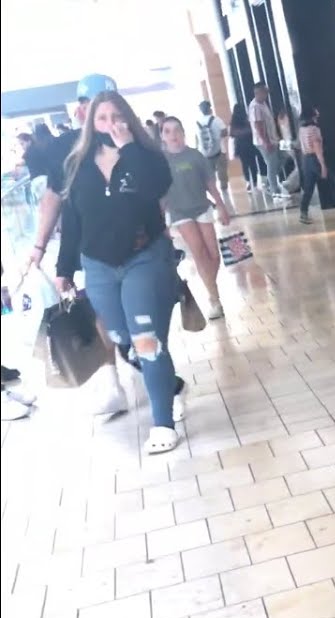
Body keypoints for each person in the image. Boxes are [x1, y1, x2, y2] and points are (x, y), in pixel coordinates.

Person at [56, 91, 184, 454]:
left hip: (144, 258)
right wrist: (64, 268)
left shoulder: (145, 157)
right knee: (123, 340)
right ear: (90, 122)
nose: (109, 123)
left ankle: (163, 422)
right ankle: (169, 385)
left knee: (147, 341)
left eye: (116, 116)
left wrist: (127, 146)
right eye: (102, 117)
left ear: (127, 117)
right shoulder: (77, 165)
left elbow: (155, 187)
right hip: (98, 267)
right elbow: (72, 219)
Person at [20, 116, 132, 417]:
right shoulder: (63, 149)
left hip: (136, 249)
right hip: (92, 251)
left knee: (134, 318)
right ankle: (113, 383)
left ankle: (160, 378)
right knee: (101, 312)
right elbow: (58, 204)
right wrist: (52, 258)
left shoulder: (128, 139)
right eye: (90, 107)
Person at [160, 116, 231, 319]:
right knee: (199, 253)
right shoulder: (162, 161)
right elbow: (162, 193)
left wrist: (221, 206)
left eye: (176, 130)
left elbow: (210, 183)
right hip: (180, 213)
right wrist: (161, 222)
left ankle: (211, 284)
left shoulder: (195, 156)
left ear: (183, 132)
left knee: (213, 255)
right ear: (162, 136)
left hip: (202, 208)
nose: (173, 135)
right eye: (167, 131)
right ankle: (214, 299)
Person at [297, 105, 335, 224]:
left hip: (305, 160)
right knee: (332, 181)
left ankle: (303, 212)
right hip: (315, 159)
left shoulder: (301, 129)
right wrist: (323, 165)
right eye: (316, 112)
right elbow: (317, 147)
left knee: (308, 188)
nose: (318, 113)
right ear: (312, 115)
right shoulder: (314, 129)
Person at [248, 83, 284, 196]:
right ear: (258, 92)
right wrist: (266, 142)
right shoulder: (255, 107)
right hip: (264, 142)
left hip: (273, 139)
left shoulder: (263, 104)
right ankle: (274, 190)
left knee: (280, 160)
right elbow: (258, 125)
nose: (267, 94)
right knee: (272, 164)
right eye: (265, 92)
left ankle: (269, 183)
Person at [194, 100, 230, 194]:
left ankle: (212, 190)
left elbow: (197, 138)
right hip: (219, 149)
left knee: (209, 174)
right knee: (222, 170)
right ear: (210, 109)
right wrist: (217, 137)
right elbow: (225, 132)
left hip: (204, 153)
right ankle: (224, 189)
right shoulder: (216, 120)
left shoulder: (197, 122)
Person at [229, 103, 264, 191]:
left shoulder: (233, 121)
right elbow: (252, 130)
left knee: (244, 165)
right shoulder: (247, 119)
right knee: (252, 164)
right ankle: (255, 182)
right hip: (249, 144)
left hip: (240, 146)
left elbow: (232, 134)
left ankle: (248, 181)